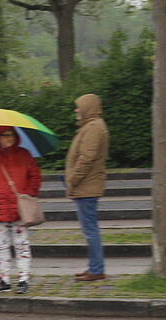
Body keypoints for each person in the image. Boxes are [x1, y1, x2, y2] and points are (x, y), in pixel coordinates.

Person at [0, 126, 42, 294]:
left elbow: (35, 176)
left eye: (10, 135)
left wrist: (28, 194)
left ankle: (23, 279)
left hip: (19, 208)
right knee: (1, 246)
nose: (8, 138)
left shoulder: (24, 155)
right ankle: (4, 279)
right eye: (4, 135)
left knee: (22, 245)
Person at [66, 93, 109, 282]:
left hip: (86, 186)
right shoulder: (92, 126)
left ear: (88, 108)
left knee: (90, 230)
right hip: (87, 185)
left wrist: (73, 180)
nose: (76, 110)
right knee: (90, 229)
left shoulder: (93, 128)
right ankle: (94, 267)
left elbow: (86, 158)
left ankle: (96, 269)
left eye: (79, 107)